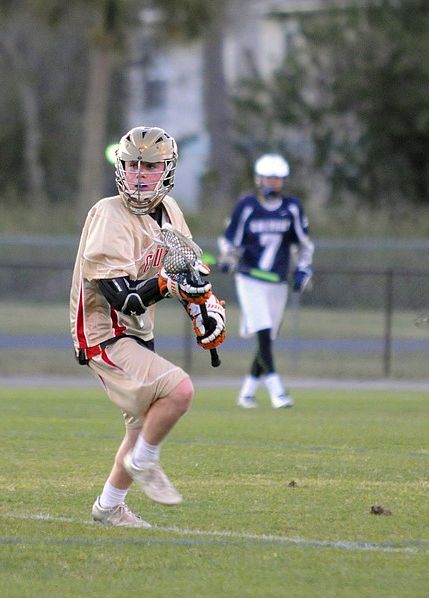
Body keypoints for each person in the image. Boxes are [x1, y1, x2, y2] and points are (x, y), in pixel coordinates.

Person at [70, 126, 227, 528]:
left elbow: (188, 267)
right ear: (120, 167)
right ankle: (144, 463)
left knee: (144, 422)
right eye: (133, 164)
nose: (140, 173)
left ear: (168, 170)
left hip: (137, 330)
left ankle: (108, 507)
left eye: (151, 165)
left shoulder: (171, 211)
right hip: (103, 330)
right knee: (178, 391)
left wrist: (205, 310)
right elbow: (122, 296)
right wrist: (171, 286)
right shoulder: (108, 214)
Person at [218, 153, 314, 409]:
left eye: (278, 179)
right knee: (261, 330)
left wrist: (304, 269)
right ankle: (277, 390)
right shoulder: (247, 206)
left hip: (277, 280)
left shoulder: (291, 207)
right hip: (250, 278)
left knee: (268, 337)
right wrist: (228, 258)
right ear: (259, 179)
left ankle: (247, 393)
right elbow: (230, 241)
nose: (273, 183)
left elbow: (303, 244)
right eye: (269, 178)